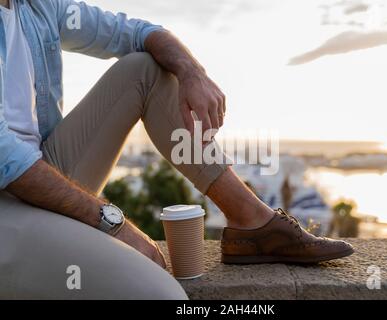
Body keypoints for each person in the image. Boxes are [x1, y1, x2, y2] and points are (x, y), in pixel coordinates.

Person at [0, 0, 354, 299]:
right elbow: (8, 159)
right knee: (161, 294)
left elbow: (137, 32)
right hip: (7, 203)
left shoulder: (37, 6)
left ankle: (252, 222)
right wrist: (112, 223)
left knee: (146, 67)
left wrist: (192, 72)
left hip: (43, 175)